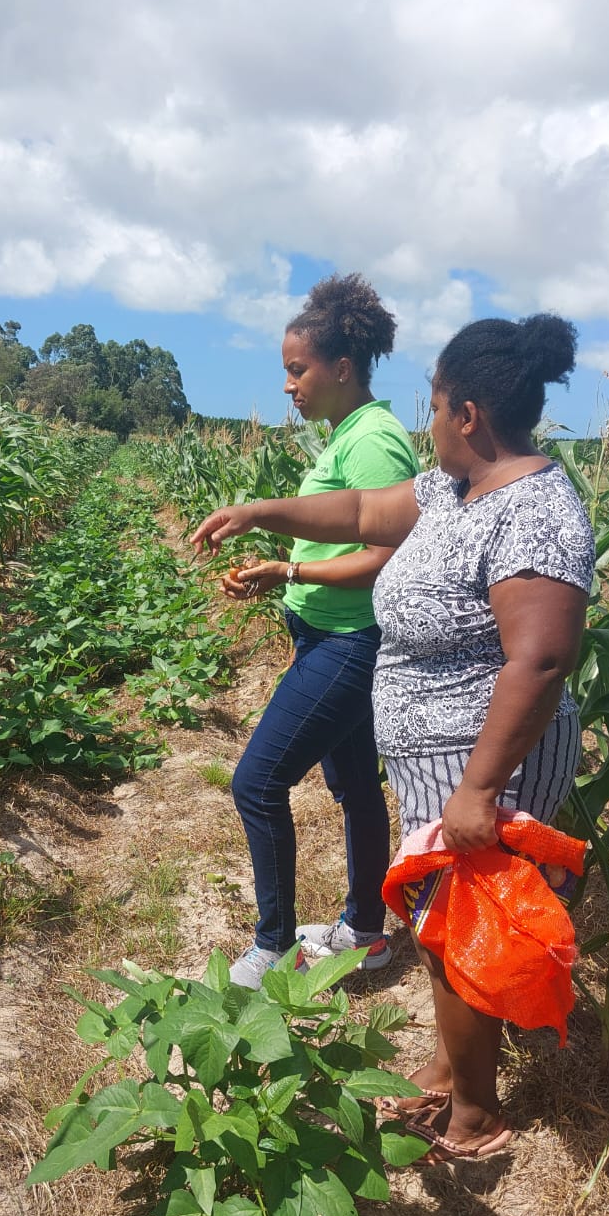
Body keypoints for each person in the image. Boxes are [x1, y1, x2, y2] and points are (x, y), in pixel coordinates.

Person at [191, 313, 595, 1162]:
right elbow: (367, 508)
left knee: (459, 928)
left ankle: (475, 1117)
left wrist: (479, 788)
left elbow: (541, 656)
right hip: (435, 749)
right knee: (447, 923)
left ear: (469, 415)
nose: (430, 420)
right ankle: (451, 1075)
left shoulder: (535, 509)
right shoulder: (454, 488)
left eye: (438, 405)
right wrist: (262, 511)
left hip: (481, 753)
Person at [215, 273, 420, 990]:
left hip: (349, 645)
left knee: (257, 783)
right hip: (329, 636)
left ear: (341, 367)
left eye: (296, 370)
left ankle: (271, 948)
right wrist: (281, 570)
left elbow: (389, 555)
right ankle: (365, 932)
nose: (288, 386)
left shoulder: (374, 441)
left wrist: (294, 575)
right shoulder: (352, 433)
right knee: (356, 788)